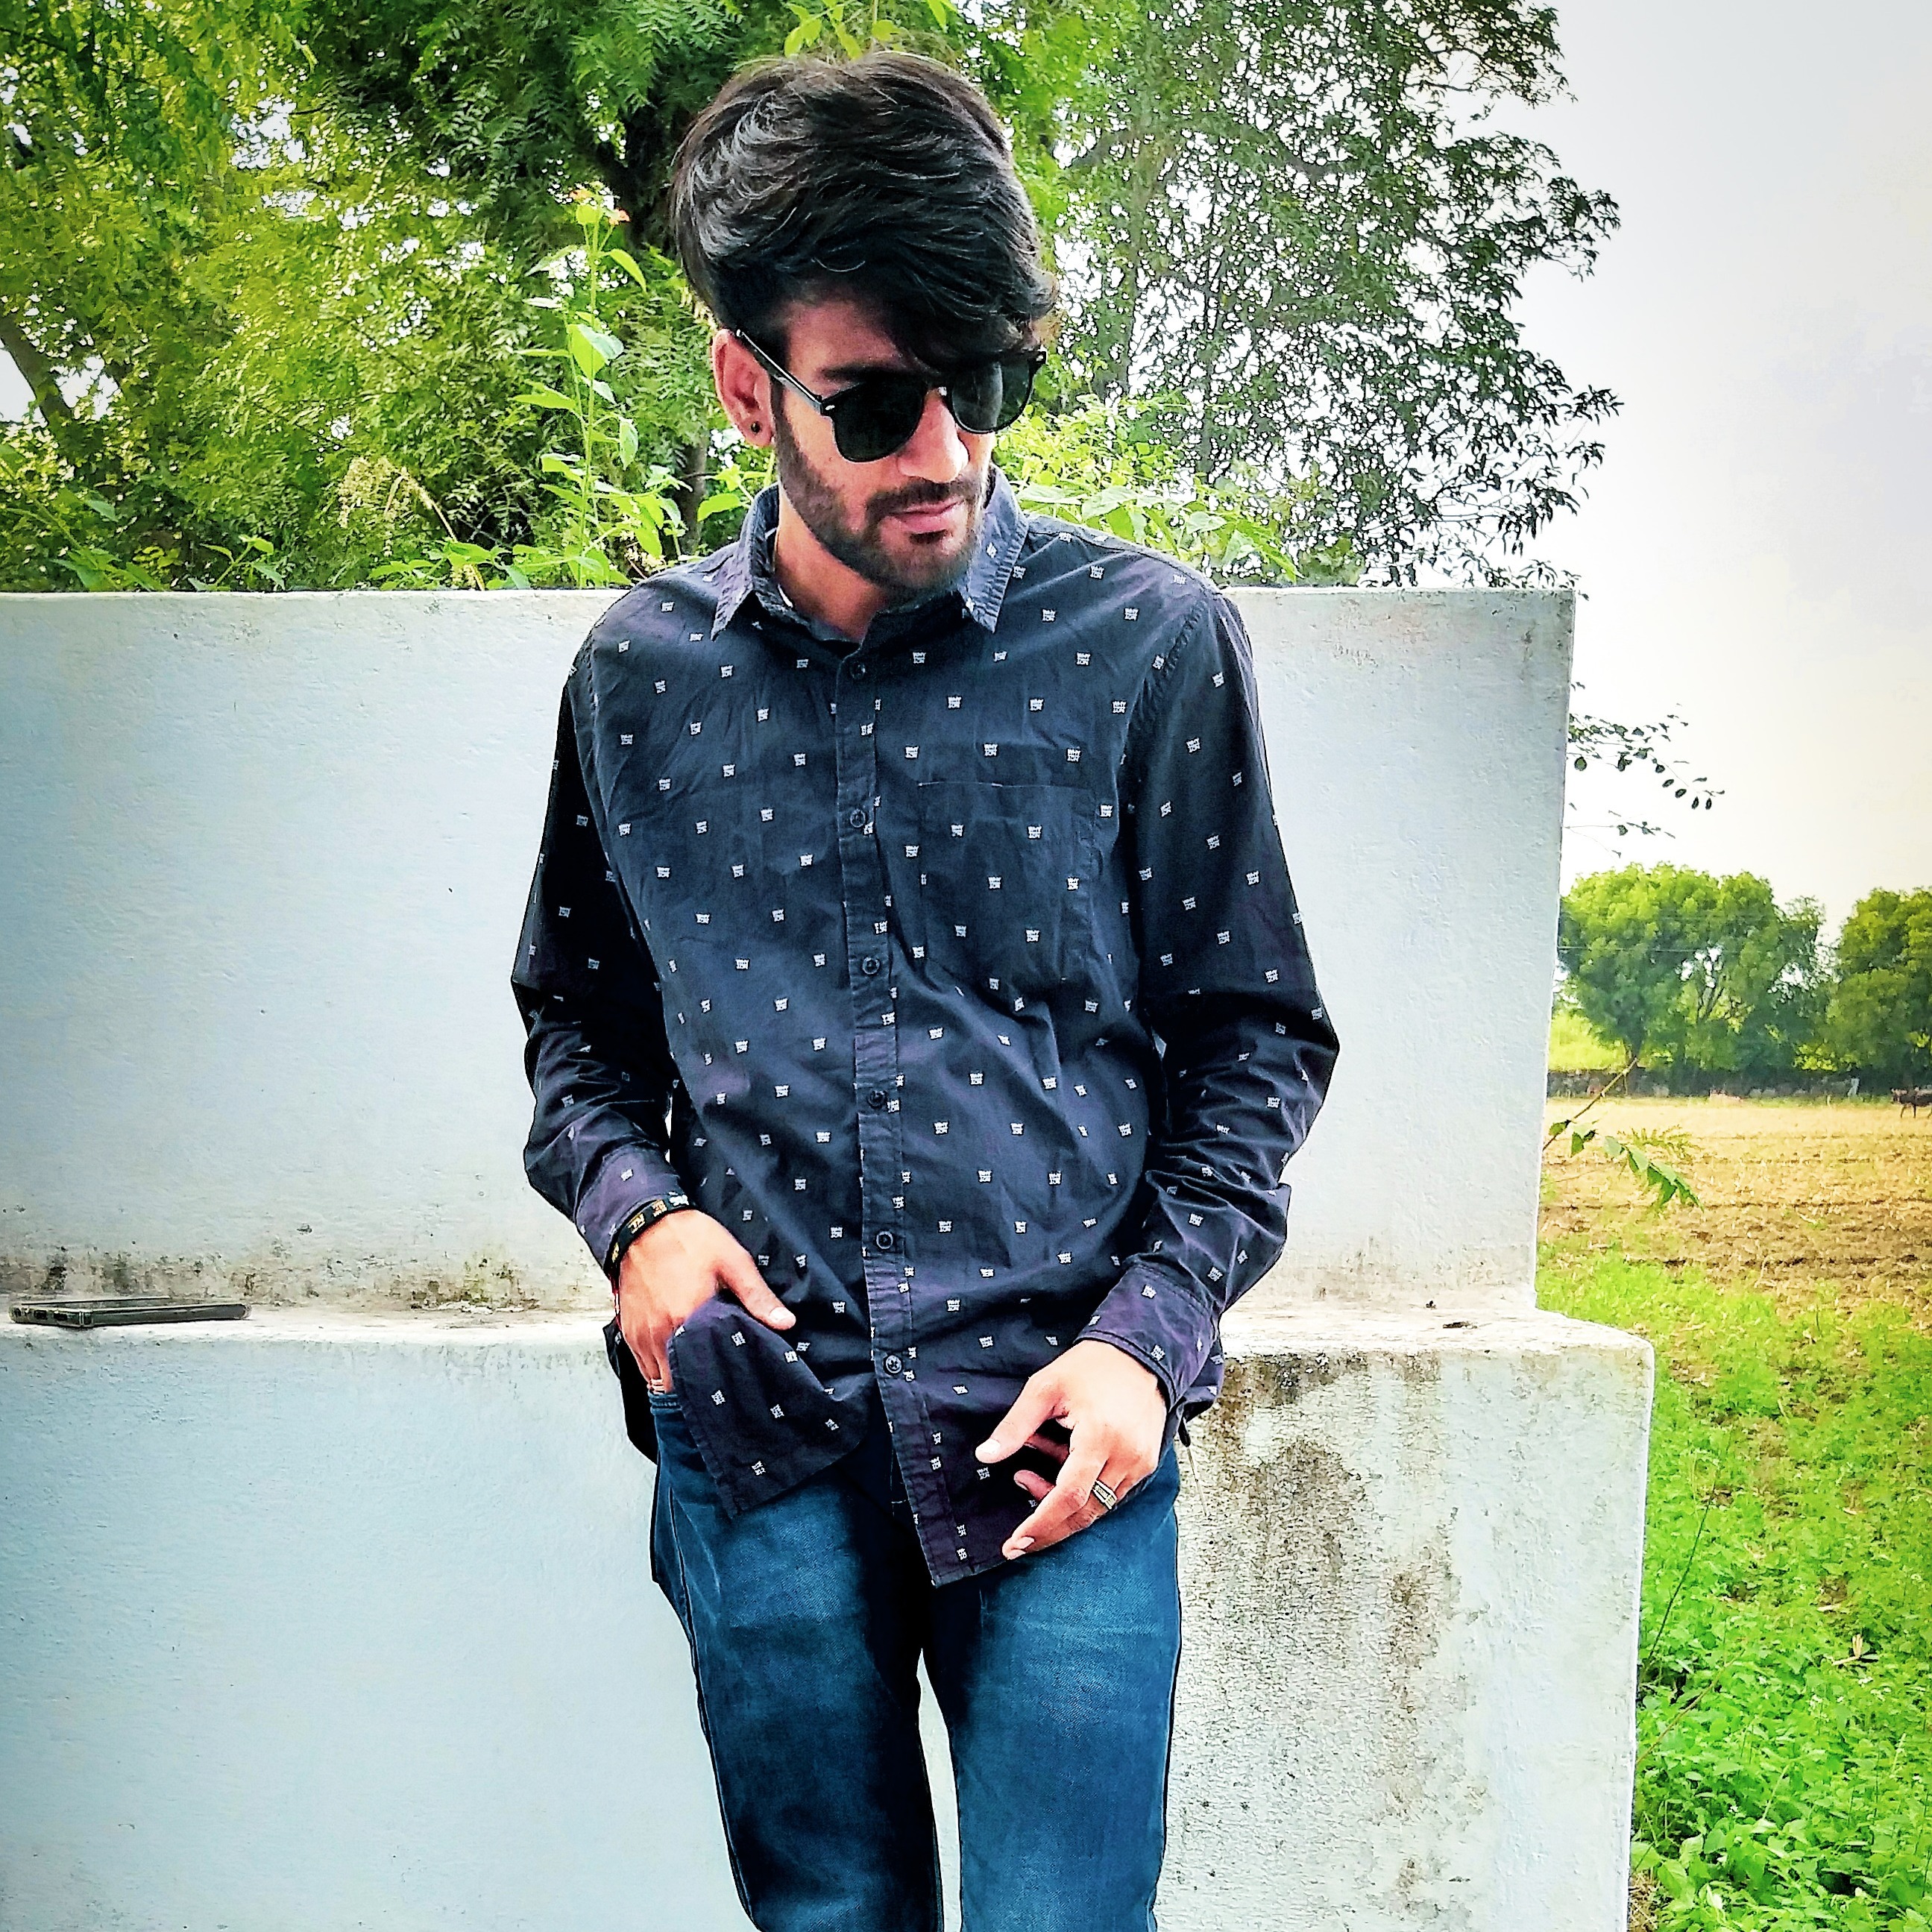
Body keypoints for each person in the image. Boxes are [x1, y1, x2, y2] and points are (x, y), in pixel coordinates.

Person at [512, 49, 1338, 1932]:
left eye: (985, 383)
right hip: (760, 1425)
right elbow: (579, 1027)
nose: (946, 451)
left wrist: (1149, 1341)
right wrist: (639, 1225)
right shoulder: (638, 679)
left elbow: (1254, 1039)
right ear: (748, 386)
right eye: (878, 401)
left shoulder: (1149, 647)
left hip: (1063, 1425)